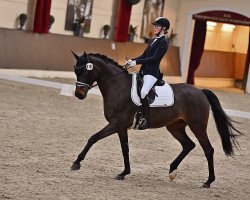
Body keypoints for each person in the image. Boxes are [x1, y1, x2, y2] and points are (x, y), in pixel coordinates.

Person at [126, 17, 170, 130]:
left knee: (144, 92)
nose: (155, 27)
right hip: (144, 71)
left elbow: (154, 58)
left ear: (163, 28)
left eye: (157, 26)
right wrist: (132, 61)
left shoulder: (163, 42)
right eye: (154, 25)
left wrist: (137, 62)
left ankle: (145, 119)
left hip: (152, 73)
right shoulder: (152, 40)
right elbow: (144, 56)